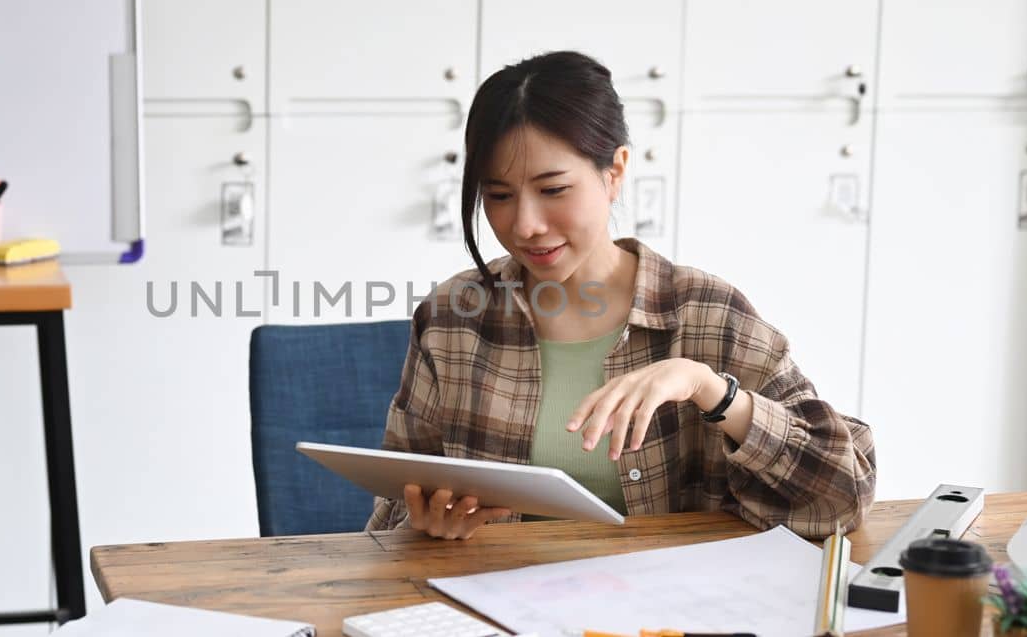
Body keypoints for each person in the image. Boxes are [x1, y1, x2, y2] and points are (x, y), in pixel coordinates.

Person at [364, 51, 876, 541]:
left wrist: (709, 390)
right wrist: (427, 526)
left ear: (615, 172)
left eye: (553, 190)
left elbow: (843, 494)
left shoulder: (707, 316)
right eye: (498, 196)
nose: (525, 225)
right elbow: (392, 512)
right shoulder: (451, 318)